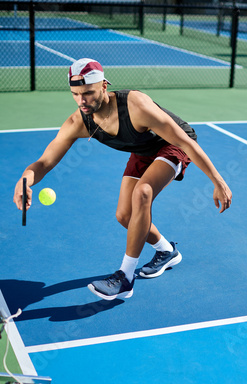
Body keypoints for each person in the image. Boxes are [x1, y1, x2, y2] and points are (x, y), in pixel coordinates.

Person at [14, 58, 232, 301]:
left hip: (172, 144)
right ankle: (166, 251)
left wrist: (217, 181)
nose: (81, 101)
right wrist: (25, 181)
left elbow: (184, 142)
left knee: (143, 192)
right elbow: (44, 162)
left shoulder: (135, 106)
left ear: (104, 85)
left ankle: (125, 278)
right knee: (125, 216)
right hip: (143, 149)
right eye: (75, 94)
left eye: (87, 92)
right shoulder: (79, 121)